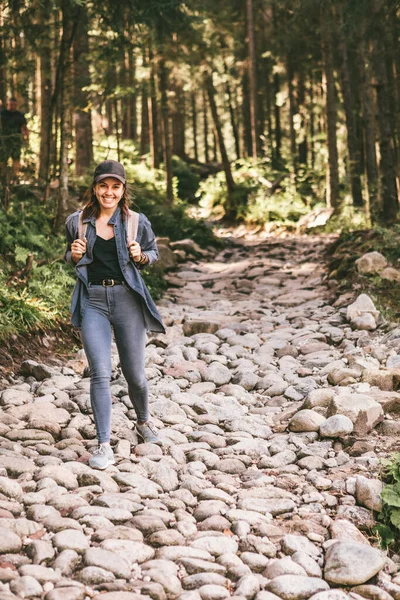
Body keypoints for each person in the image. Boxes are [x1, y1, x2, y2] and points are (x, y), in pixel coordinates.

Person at [65, 160, 166, 470]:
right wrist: (75, 255)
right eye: (103, 186)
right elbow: (69, 255)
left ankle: (143, 421)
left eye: (115, 186)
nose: (109, 192)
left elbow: (153, 253)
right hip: (92, 301)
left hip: (127, 302)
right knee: (100, 373)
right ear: (95, 189)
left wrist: (141, 256)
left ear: (123, 190)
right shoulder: (77, 221)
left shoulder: (137, 221)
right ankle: (104, 444)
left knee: (135, 375)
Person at [0, 97, 29, 179]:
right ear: (8, 104)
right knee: (2, 159)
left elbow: (24, 128)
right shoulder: (2, 113)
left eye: (14, 105)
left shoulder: (19, 115)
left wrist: (26, 139)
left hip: (16, 142)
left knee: (16, 159)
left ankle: (14, 177)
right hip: (4, 141)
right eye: (11, 104)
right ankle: (3, 176)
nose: (12, 106)